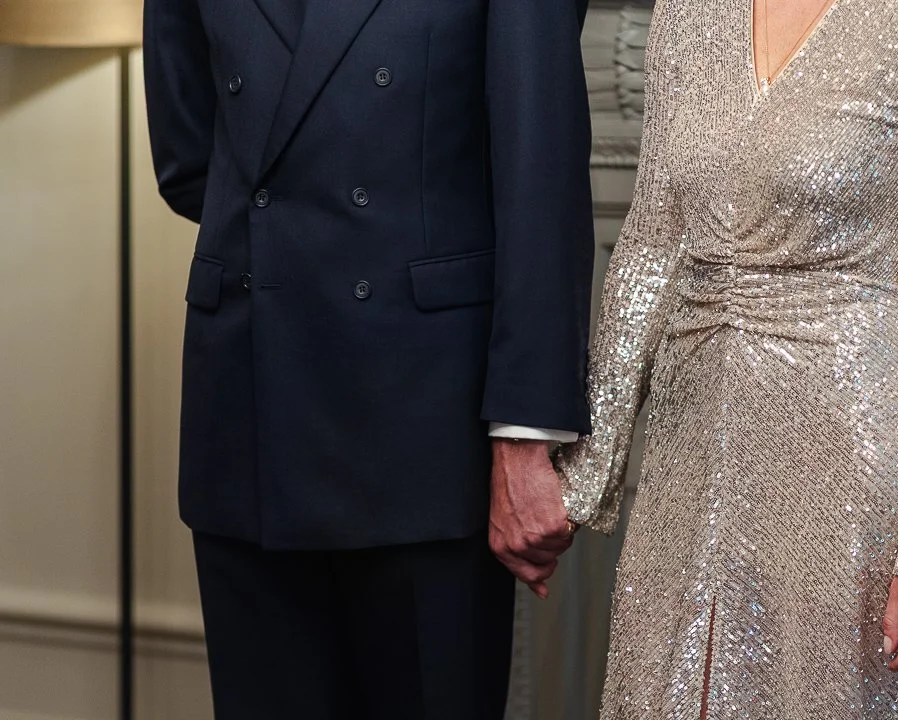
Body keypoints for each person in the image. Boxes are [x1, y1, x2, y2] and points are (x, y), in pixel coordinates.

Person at [555, 0, 898, 717]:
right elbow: (652, 238)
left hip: (851, 463)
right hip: (690, 452)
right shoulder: (688, 13)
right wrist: (581, 479)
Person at [142, 0, 593, 717]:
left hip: (426, 423)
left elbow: (542, 177)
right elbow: (187, 155)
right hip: (250, 408)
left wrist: (527, 434)